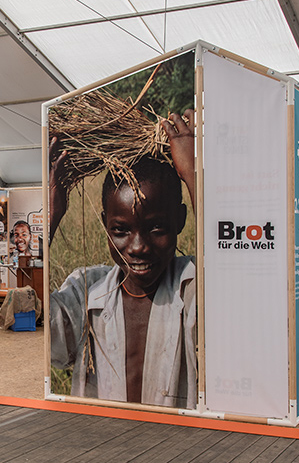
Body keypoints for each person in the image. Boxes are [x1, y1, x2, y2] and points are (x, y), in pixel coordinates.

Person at [48, 110, 197, 408]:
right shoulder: (85, 293)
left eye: (156, 228)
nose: (138, 246)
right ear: (105, 224)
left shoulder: (192, 288)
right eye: (121, 230)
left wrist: (194, 174)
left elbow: (234, 281)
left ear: (179, 220)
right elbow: (36, 331)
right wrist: (50, 216)